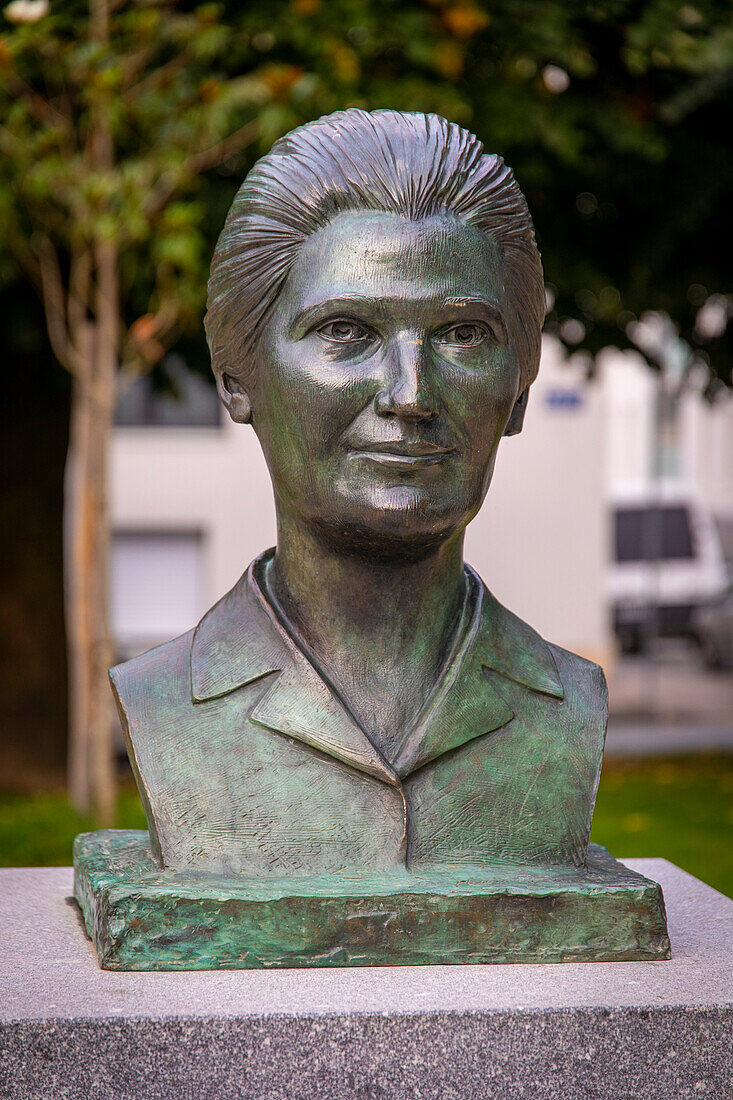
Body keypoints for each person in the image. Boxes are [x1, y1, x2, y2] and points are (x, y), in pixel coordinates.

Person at [111, 109, 607, 877]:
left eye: (461, 334)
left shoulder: (569, 703)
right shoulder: (163, 701)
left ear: (517, 393)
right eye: (346, 332)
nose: (409, 394)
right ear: (237, 379)